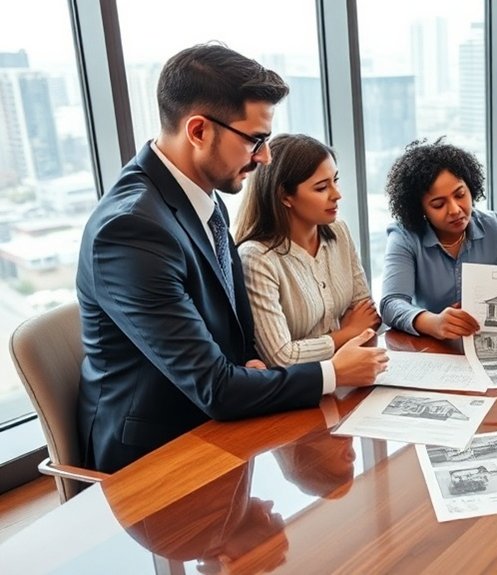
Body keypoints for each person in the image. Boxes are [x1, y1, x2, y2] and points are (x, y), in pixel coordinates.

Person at [76, 44, 388, 474]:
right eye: (255, 140)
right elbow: (215, 388)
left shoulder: (204, 198)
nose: (265, 158)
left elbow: (230, 347)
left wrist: (247, 369)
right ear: (199, 131)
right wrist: (332, 373)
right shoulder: (130, 231)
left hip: (223, 422)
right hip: (156, 454)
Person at [235, 134, 381, 367]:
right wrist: (347, 332)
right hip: (301, 391)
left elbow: (368, 315)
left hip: (352, 374)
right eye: (322, 187)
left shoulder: (339, 231)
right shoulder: (256, 258)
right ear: (285, 196)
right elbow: (281, 356)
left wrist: (314, 345)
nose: (337, 194)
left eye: (335, 180)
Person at [380, 138, 497, 339]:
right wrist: (433, 322)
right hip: (430, 344)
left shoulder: (493, 226)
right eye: (439, 204)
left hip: (480, 339)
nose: (455, 210)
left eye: (460, 194)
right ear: (420, 209)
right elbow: (390, 303)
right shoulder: (404, 237)